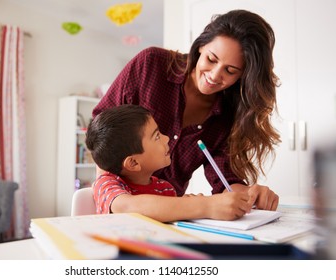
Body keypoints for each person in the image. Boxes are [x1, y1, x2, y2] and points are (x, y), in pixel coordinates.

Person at [93, 9, 280, 211]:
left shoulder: (228, 114)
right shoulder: (151, 65)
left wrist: (249, 195)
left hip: (171, 215)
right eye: (211, 59)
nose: (215, 75)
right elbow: (103, 130)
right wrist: (105, 197)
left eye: (230, 70)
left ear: (243, 76)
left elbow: (224, 179)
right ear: (200, 47)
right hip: (121, 208)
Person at [85, 104, 252, 222]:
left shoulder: (165, 189)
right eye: (157, 136)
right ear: (133, 162)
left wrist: (187, 206)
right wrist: (205, 206)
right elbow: (127, 206)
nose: (166, 139)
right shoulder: (106, 183)